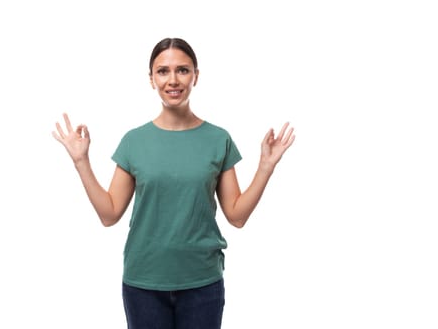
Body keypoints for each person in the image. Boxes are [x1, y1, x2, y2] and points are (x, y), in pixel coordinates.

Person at [52, 37, 295, 329]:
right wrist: (81, 161)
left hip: (202, 284)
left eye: (182, 70)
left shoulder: (218, 139)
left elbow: (237, 215)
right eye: (163, 71)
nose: (173, 80)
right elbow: (109, 213)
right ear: (151, 78)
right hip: (144, 284)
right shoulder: (134, 141)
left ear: (196, 75)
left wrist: (266, 166)